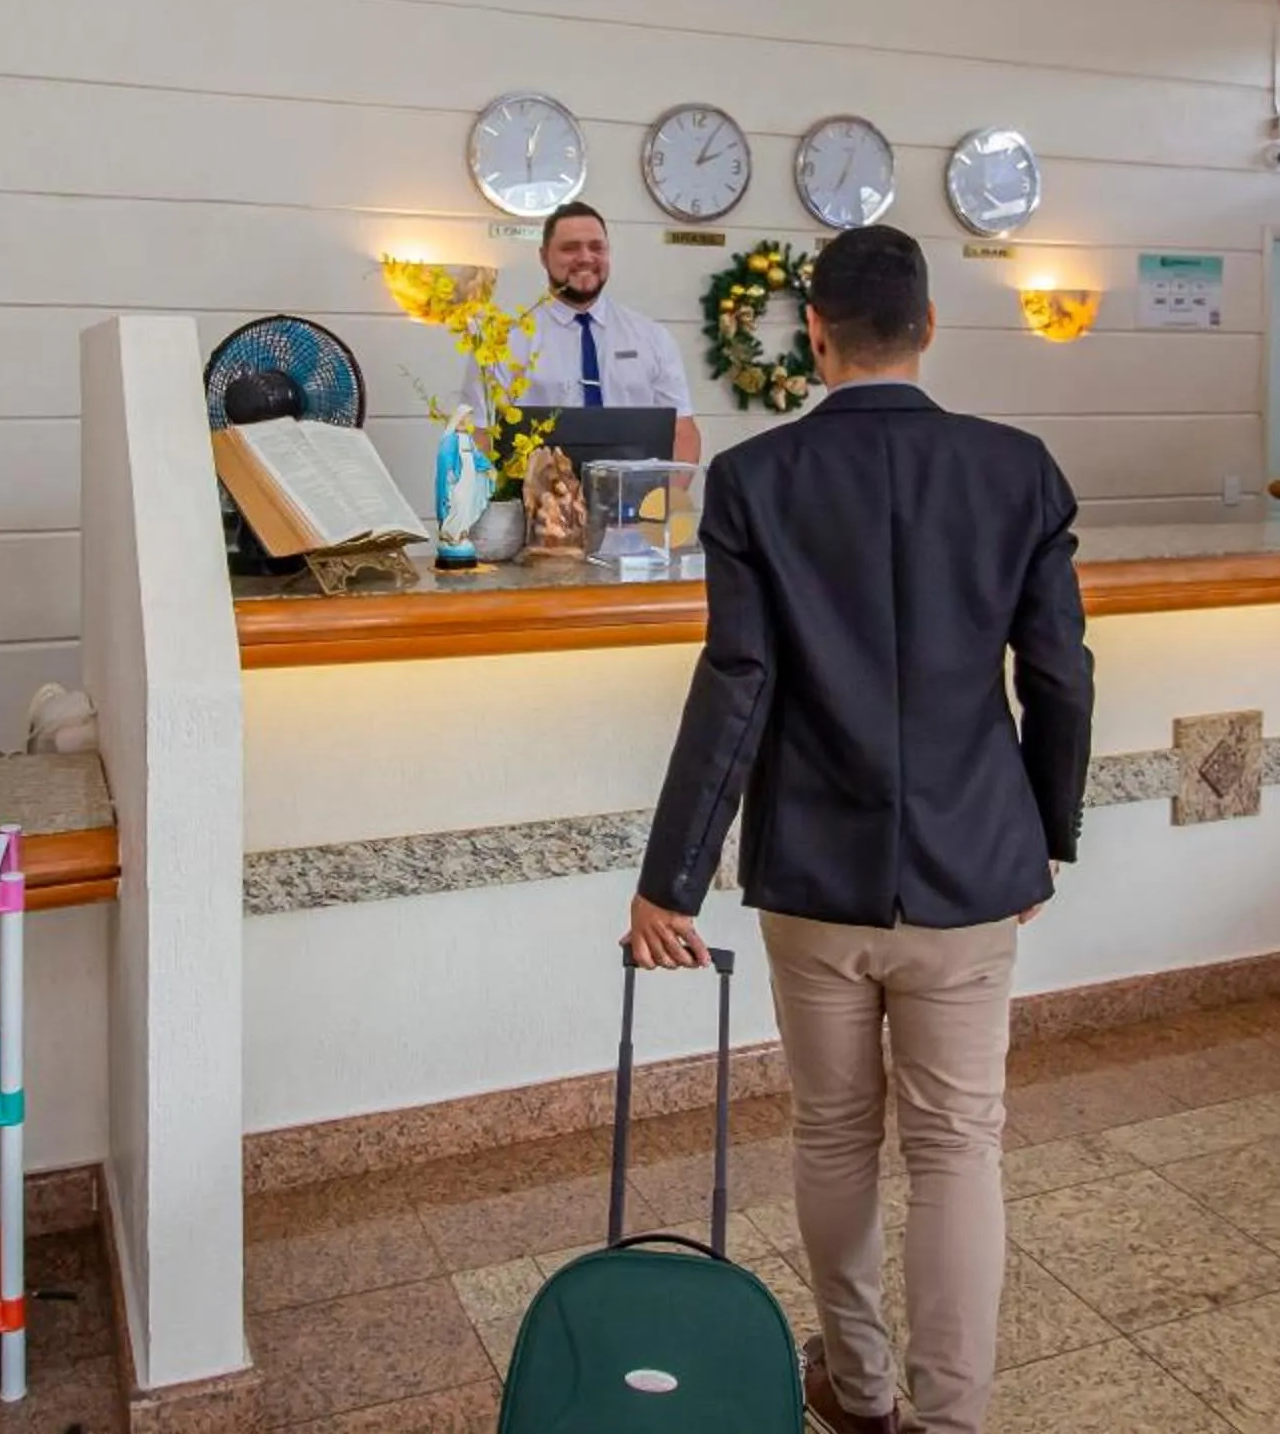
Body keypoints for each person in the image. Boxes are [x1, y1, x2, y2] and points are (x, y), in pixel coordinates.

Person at [626, 225, 1094, 1434]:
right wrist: (1042, 833)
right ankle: (952, 1419)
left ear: (814, 334)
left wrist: (670, 880)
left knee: (834, 1132)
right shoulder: (1018, 468)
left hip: (815, 876)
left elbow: (736, 682)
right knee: (957, 1147)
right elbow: (1060, 674)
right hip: (973, 868)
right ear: (930, 327)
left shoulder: (753, 479)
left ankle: (862, 1387)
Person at [468, 202, 700, 462]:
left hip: (638, 500)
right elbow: (480, 435)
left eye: (596, 247)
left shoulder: (653, 338)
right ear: (543, 256)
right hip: (534, 498)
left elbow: (682, 432)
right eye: (570, 248)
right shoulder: (503, 341)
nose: (586, 257)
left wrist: (661, 500)